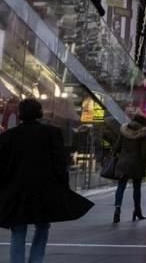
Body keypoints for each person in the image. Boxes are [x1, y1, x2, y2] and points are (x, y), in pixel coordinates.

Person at [0, 98, 93, 263]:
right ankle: (36, 259)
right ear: (39, 113)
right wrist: (63, 186)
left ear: (20, 115)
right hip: (44, 187)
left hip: (17, 189)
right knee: (42, 226)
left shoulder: (8, 136)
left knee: (18, 228)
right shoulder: (52, 133)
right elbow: (59, 162)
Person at [112, 114, 146, 223]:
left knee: (121, 187)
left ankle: (117, 208)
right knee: (137, 189)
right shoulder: (142, 135)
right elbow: (145, 154)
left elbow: (116, 148)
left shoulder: (124, 132)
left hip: (123, 163)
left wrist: (118, 156)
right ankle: (137, 211)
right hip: (136, 165)